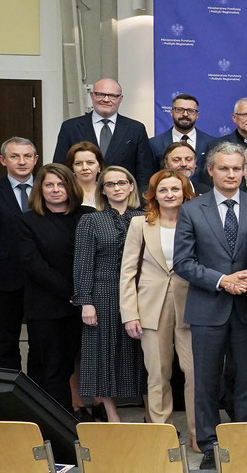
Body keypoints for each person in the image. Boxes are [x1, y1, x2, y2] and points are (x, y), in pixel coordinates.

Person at [173, 142, 247, 468]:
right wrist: (223, 280)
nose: (231, 174)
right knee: (206, 381)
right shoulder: (191, 210)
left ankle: (243, 441)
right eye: (224, 168)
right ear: (210, 170)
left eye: (237, 168)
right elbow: (183, 262)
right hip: (207, 306)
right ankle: (210, 445)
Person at [122, 170, 198, 445]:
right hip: (151, 306)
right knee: (158, 373)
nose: (169, 194)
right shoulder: (140, 223)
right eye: (163, 190)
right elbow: (128, 271)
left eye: (175, 189)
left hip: (191, 304)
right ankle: (162, 435)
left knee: (195, 372)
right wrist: (130, 313)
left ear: (184, 193)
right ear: (154, 194)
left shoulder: (196, 220)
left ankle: (198, 433)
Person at [74, 166, 145, 421]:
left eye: (121, 183)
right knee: (103, 354)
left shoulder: (146, 217)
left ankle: (153, 416)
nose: (117, 188)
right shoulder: (91, 220)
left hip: (141, 293)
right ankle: (113, 417)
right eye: (110, 184)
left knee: (143, 355)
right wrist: (86, 302)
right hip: (103, 293)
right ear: (102, 190)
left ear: (131, 186)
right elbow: (83, 263)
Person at [21, 163, 90, 408]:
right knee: (53, 369)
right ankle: (58, 422)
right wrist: (72, 292)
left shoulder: (87, 216)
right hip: (46, 307)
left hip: (81, 307)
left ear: (71, 187)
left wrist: (82, 295)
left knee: (72, 365)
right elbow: (34, 264)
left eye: (61, 184)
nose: (55, 189)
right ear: (40, 189)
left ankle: (70, 415)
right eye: (49, 184)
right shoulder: (28, 220)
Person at [0, 137, 39, 371]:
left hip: (43, 279)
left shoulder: (50, 188)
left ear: (35, 159)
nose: (22, 161)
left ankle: (39, 390)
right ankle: (9, 391)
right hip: (4, 279)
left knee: (42, 341)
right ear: (3, 160)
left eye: (27, 156)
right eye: (15, 156)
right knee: (6, 342)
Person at [53, 78, 152, 184]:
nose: (106, 99)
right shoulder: (70, 127)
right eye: (100, 94)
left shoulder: (136, 129)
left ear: (120, 99)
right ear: (92, 95)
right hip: (81, 192)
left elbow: (144, 173)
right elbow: (60, 169)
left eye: (112, 96)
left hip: (121, 192)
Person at [149, 94, 214, 171]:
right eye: (179, 110)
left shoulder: (211, 143)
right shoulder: (154, 144)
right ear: (171, 112)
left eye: (190, 111)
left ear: (197, 115)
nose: (185, 114)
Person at [67, 141, 103, 208]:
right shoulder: (66, 193)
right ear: (72, 167)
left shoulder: (107, 191)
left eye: (90, 163)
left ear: (99, 166)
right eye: (78, 163)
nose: (85, 168)